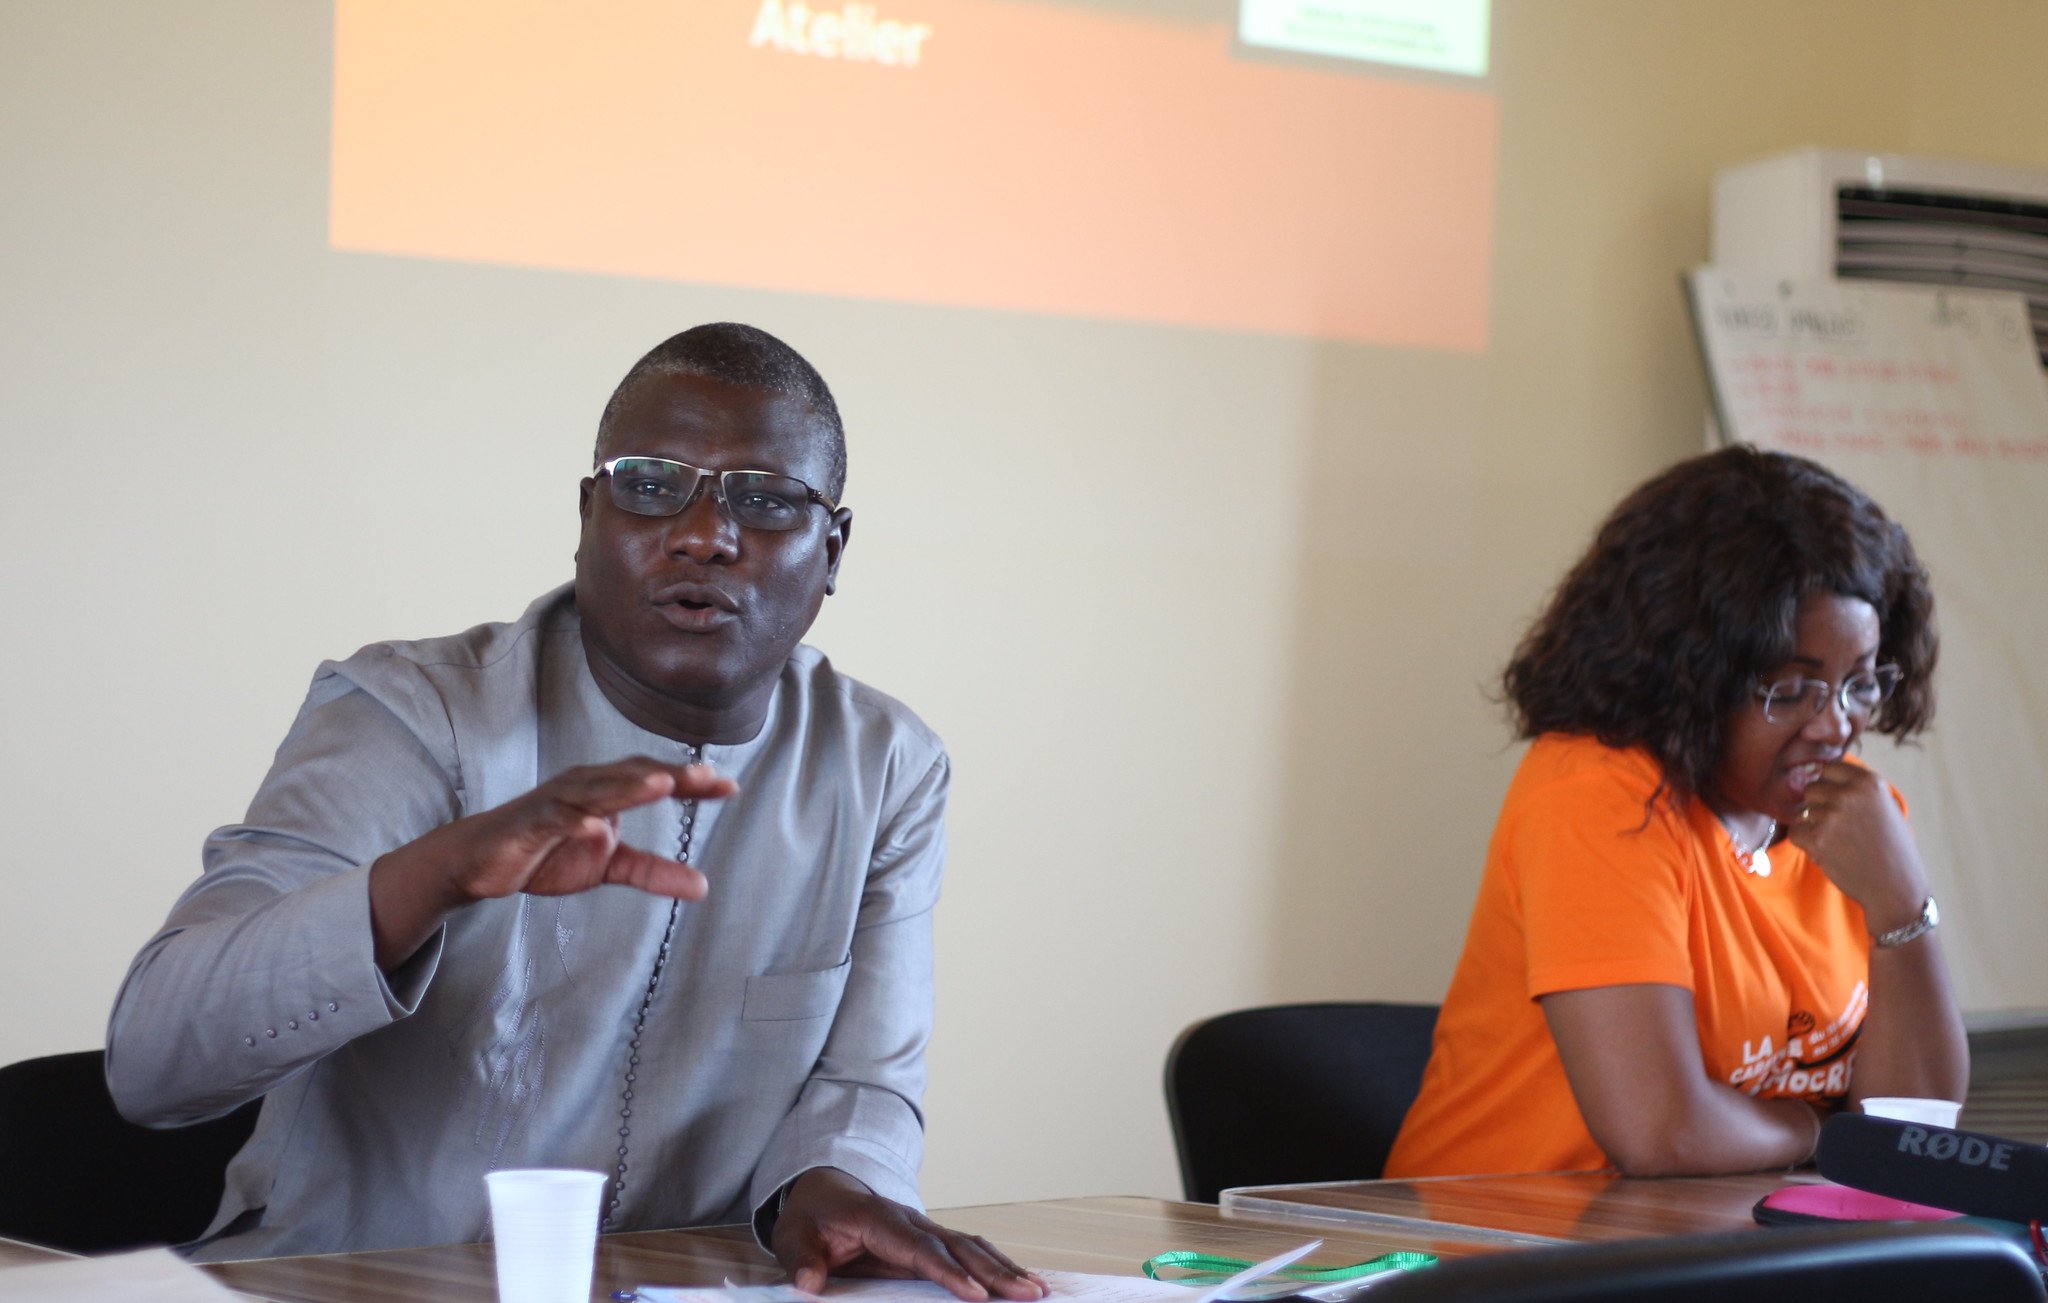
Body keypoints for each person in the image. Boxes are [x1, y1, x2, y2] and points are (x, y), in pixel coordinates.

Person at [105, 323, 1045, 1300]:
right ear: (589, 513)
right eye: (648, 486)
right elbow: (154, 1065)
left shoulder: (884, 762)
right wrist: (432, 876)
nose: (702, 535)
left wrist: (834, 1180)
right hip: (362, 1285)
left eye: (765, 501)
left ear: (832, 549)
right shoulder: (412, 713)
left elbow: (865, 1080)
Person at [1385, 444, 1967, 1179]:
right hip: (1496, 1257)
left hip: (1710, 1248)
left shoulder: (1855, 819)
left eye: (1860, 683)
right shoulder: (1596, 792)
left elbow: (1912, 1139)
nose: (1834, 725)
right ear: (1687, 674)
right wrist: (1821, 1132)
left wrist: (1901, 905)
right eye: (1790, 689)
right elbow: (1663, 1133)